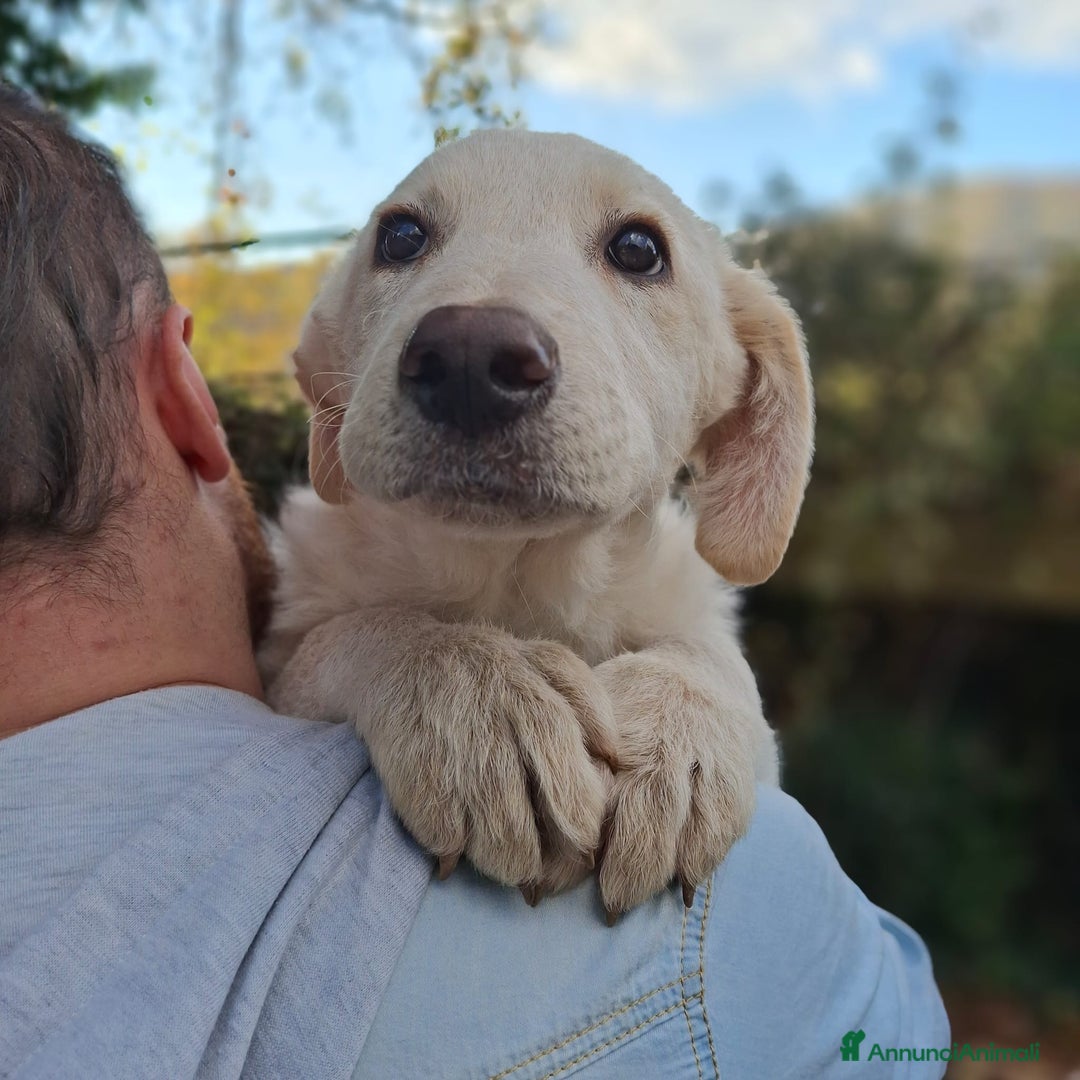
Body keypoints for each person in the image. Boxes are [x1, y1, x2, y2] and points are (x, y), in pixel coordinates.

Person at [0, 85, 949, 1079]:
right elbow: (898, 1039)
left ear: (740, 392)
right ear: (337, 384)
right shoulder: (713, 948)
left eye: (634, 254)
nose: (473, 341)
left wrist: (702, 692)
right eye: (407, 243)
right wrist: (392, 662)